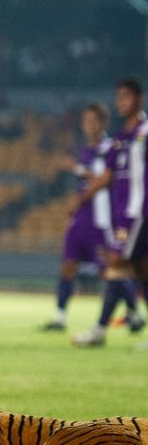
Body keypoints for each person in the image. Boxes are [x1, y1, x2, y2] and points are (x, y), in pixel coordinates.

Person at [42, 103, 143, 331]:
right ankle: (59, 317)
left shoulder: (109, 148)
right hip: (82, 219)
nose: (88, 125)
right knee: (68, 266)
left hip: (101, 219)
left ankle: (133, 312)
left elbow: (104, 178)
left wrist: (77, 170)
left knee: (111, 270)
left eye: (93, 120)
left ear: (102, 123)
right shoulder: (85, 149)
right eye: (85, 120)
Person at [73, 77, 148, 347]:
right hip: (124, 212)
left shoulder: (145, 131)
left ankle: (99, 330)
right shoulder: (120, 138)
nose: (121, 102)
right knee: (141, 271)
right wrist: (82, 198)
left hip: (137, 212)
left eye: (126, 97)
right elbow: (107, 175)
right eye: (118, 97)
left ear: (139, 99)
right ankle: (113, 325)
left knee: (115, 264)